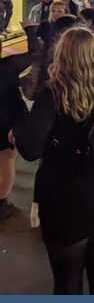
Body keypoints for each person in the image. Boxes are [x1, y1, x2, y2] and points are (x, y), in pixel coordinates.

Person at [13, 28, 94, 294]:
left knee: (68, 275)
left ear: (62, 56)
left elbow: (31, 149)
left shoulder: (54, 94)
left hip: (68, 198)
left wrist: (18, 132)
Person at [0, 20, 37, 220]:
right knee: (6, 162)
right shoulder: (8, 65)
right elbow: (33, 53)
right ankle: (1, 204)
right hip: (7, 120)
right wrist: (29, 30)